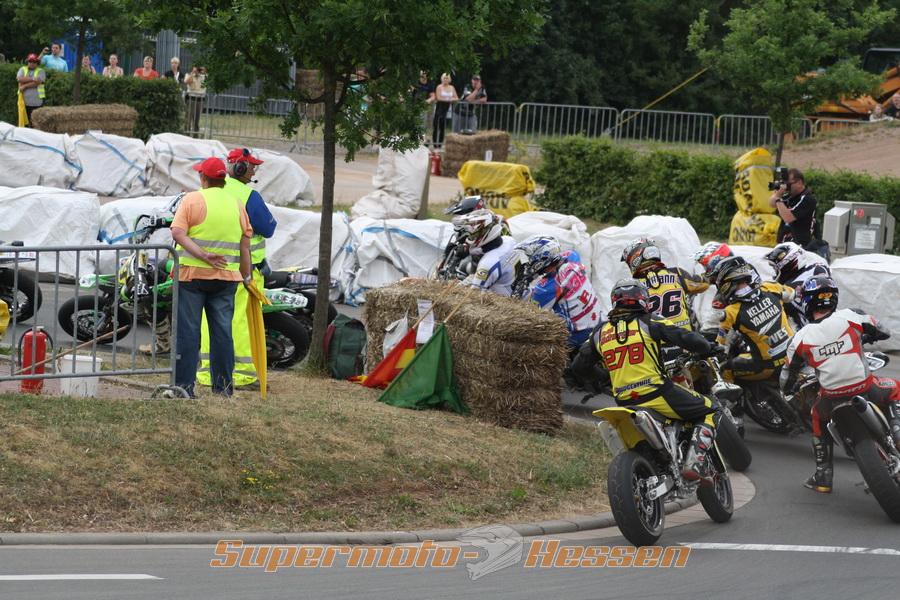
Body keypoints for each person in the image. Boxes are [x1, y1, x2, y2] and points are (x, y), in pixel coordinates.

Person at [571, 279, 723, 481]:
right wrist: (707, 346)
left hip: (623, 401)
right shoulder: (649, 321)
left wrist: (604, 378)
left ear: (614, 301)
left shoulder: (599, 332)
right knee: (713, 409)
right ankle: (693, 462)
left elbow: (578, 367)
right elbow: (687, 338)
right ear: (643, 299)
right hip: (657, 393)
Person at [781, 275, 900, 493]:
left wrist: (788, 391)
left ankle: (823, 476)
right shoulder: (851, 316)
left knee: (816, 417)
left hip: (831, 397)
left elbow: (787, 375)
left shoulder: (799, 338)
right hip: (865, 387)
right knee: (895, 387)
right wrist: (867, 336)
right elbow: (884, 331)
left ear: (806, 302)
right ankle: (897, 431)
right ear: (834, 298)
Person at [170, 157, 253, 398]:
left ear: (203, 177)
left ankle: (183, 388)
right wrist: (246, 277)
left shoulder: (192, 199)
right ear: (223, 179)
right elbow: (244, 246)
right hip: (227, 279)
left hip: (192, 277)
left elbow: (177, 233)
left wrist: (203, 255)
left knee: (189, 333)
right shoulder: (236, 204)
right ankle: (223, 389)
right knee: (222, 333)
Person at [197, 148, 278, 389]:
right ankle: (242, 373)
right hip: (242, 270)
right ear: (239, 167)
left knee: (208, 319)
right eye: (251, 166)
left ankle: (207, 372)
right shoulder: (247, 195)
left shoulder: (204, 193)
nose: (254, 172)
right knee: (239, 320)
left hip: (208, 267)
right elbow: (268, 228)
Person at [714, 256, 795, 385]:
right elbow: (791, 295)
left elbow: (721, 346)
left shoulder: (730, 312)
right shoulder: (770, 287)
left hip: (767, 366)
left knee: (725, 369)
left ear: (726, 282)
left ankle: (730, 398)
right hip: (794, 353)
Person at [511, 238, 600, 350]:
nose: (529, 262)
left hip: (579, 335)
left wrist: (519, 290)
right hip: (597, 321)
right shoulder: (572, 257)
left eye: (531, 258)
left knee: (530, 341)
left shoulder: (545, 289)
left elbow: (529, 315)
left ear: (542, 258)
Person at [621, 238, 709, 333]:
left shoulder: (633, 286)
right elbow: (703, 284)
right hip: (685, 337)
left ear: (635, 259)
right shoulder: (677, 273)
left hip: (654, 339)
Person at [764, 241, 831, 327]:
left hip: (809, 327)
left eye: (775, 268)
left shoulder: (788, 287)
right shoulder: (819, 267)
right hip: (822, 322)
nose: (775, 271)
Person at [454, 209, 516, 296]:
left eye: (473, 233)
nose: (469, 237)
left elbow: (472, 296)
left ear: (487, 231)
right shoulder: (508, 240)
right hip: (512, 286)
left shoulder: (486, 265)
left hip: (503, 298)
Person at [768, 168, 818, 249]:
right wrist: (778, 194)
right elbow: (771, 203)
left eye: (788, 184)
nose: (787, 187)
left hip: (800, 246)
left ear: (799, 183)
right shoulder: (789, 196)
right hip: (784, 243)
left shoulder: (808, 199)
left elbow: (788, 218)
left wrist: (778, 199)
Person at [16, 54, 46, 125]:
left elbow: (38, 82)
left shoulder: (41, 71)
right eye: (30, 61)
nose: (32, 63)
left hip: (37, 102)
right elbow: (19, 79)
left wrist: (25, 86)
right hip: (23, 102)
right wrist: (33, 79)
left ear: (37, 63)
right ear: (27, 62)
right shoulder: (22, 69)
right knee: (24, 124)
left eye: (34, 62)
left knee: (36, 124)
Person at [432, 73, 458, 148]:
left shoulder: (452, 87)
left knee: (443, 127)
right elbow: (438, 97)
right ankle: (435, 144)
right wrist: (449, 99)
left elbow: (456, 98)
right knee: (436, 126)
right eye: (444, 78)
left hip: (447, 108)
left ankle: (440, 144)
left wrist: (449, 99)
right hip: (439, 108)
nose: (445, 79)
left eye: (447, 78)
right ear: (442, 79)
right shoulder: (439, 87)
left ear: (449, 79)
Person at [412, 71, 436, 142]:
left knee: (424, 123)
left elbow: (433, 96)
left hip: (425, 105)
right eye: (422, 73)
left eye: (424, 73)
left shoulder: (430, 83)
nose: (423, 75)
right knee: (416, 123)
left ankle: (423, 139)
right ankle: (416, 139)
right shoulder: (415, 82)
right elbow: (410, 92)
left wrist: (429, 100)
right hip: (415, 104)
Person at [185, 66, 208, 136]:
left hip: (200, 100)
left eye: (198, 69)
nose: (198, 71)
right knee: (188, 118)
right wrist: (192, 73)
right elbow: (187, 81)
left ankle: (196, 135)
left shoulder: (204, 76)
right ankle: (186, 134)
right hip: (191, 99)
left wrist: (203, 71)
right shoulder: (188, 75)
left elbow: (207, 81)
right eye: (196, 69)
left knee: (197, 119)